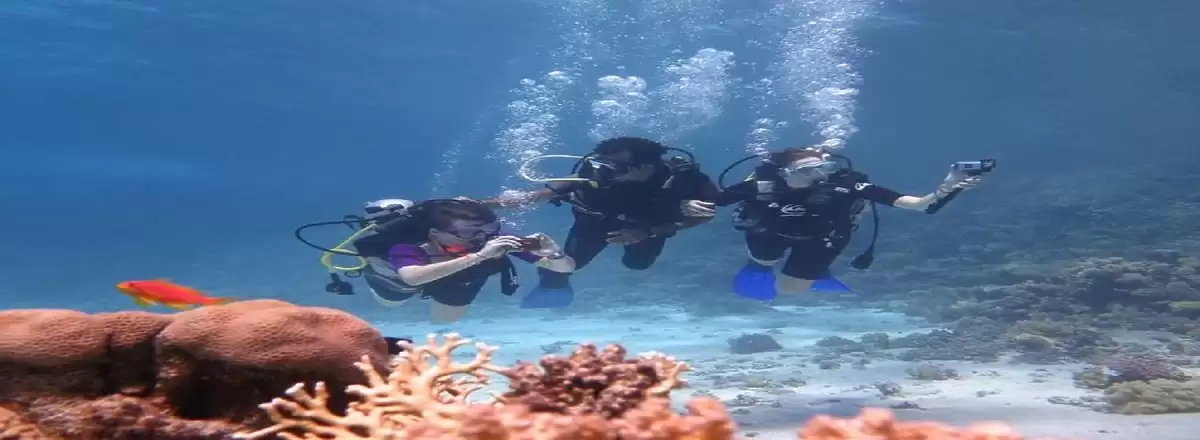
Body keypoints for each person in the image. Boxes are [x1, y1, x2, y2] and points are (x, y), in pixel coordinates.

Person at [478, 136, 720, 309]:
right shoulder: (589, 176)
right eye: (603, 163)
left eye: (618, 166)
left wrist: (648, 231)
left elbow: (705, 215)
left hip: (648, 227)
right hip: (593, 224)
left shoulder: (681, 181)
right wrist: (479, 204)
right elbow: (535, 196)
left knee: (637, 264)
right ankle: (552, 292)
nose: (605, 171)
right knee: (559, 268)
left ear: (647, 166)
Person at [714, 147, 984, 299]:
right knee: (763, 260)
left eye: (824, 168)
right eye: (806, 171)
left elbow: (919, 205)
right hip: (770, 231)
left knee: (788, 290)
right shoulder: (763, 186)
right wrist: (692, 205)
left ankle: (818, 273)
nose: (819, 175)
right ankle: (758, 267)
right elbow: (713, 201)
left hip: (823, 238)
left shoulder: (846, 185)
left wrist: (949, 188)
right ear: (784, 174)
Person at [354, 198, 575, 323]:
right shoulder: (408, 244)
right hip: (403, 278)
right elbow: (411, 277)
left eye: (488, 230)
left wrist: (555, 254)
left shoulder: (494, 239)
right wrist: (479, 256)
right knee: (391, 303)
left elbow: (565, 268)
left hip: (460, 277)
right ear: (435, 233)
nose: (481, 238)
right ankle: (376, 277)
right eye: (469, 233)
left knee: (444, 321)